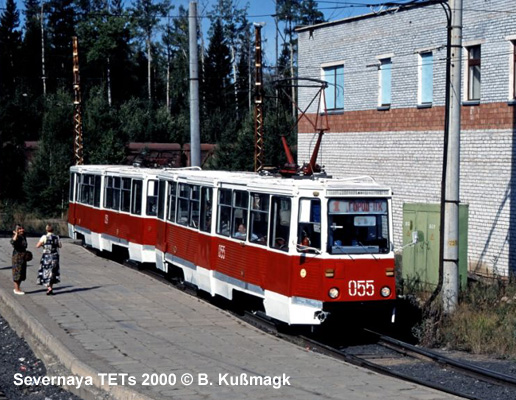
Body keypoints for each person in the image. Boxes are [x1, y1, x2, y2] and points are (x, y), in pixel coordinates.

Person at [36, 224, 62, 295]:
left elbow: (37, 245)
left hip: (46, 257)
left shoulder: (44, 237)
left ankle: (49, 288)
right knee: (53, 272)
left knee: (46, 272)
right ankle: (51, 288)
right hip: (55, 257)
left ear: (46, 230)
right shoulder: (56, 237)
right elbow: (60, 246)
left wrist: (43, 245)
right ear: (53, 230)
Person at [11, 225, 28, 295]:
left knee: (22, 273)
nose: (21, 230)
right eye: (19, 229)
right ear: (17, 230)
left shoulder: (23, 236)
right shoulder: (16, 236)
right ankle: (16, 289)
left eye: (22, 228)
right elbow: (12, 242)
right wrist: (16, 234)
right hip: (17, 257)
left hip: (23, 256)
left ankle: (18, 287)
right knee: (17, 273)